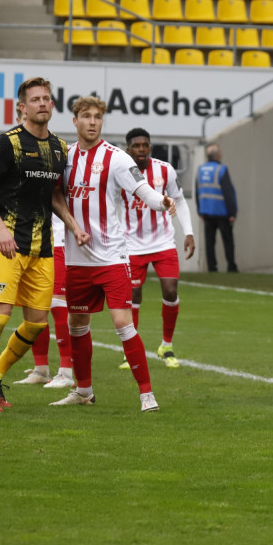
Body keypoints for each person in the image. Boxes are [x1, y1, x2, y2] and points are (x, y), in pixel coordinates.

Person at [50, 97, 175, 413]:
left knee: (122, 322)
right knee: (77, 323)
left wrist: (162, 202)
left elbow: (143, 189)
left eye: (97, 117)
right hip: (77, 260)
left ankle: (147, 395)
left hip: (112, 258)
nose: (92, 121)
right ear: (75, 121)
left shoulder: (117, 158)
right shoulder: (63, 157)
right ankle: (83, 391)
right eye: (86, 116)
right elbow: (52, 196)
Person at [0, 77, 87, 413]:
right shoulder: (8, 142)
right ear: (22, 107)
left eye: (46, 98)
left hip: (42, 248)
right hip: (7, 246)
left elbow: (55, 195)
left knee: (36, 323)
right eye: (35, 99)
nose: (42, 103)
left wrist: (74, 226)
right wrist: (0, 229)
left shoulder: (59, 148)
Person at [123, 127, 195, 368]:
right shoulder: (121, 171)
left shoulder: (165, 170)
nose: (141, 149)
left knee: (170, 290)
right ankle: (130, 352)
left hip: (163, 241)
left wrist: (189, 232)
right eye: (136, 146)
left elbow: (180, 201)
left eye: (145, 145)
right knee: (133, 295)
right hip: (132, 245)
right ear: (128, 149)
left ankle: (166, 345)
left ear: (150, 147)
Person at [12, 213, 75, 388]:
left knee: (58, 302)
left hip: (60, 241)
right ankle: (40, 370)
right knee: (34, 304)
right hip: (33, 243)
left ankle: (66, 372)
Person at [197, 142, 238, 272]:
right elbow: (228, 192)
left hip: (206, 211)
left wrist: (200, 211)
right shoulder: (221, 170)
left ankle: (212, 267)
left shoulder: (200, 169)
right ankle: (231, 266)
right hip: (221, 211)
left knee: (209, 241)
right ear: (217, 155)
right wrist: (232, 213)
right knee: (228, 240)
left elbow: (197, 191)